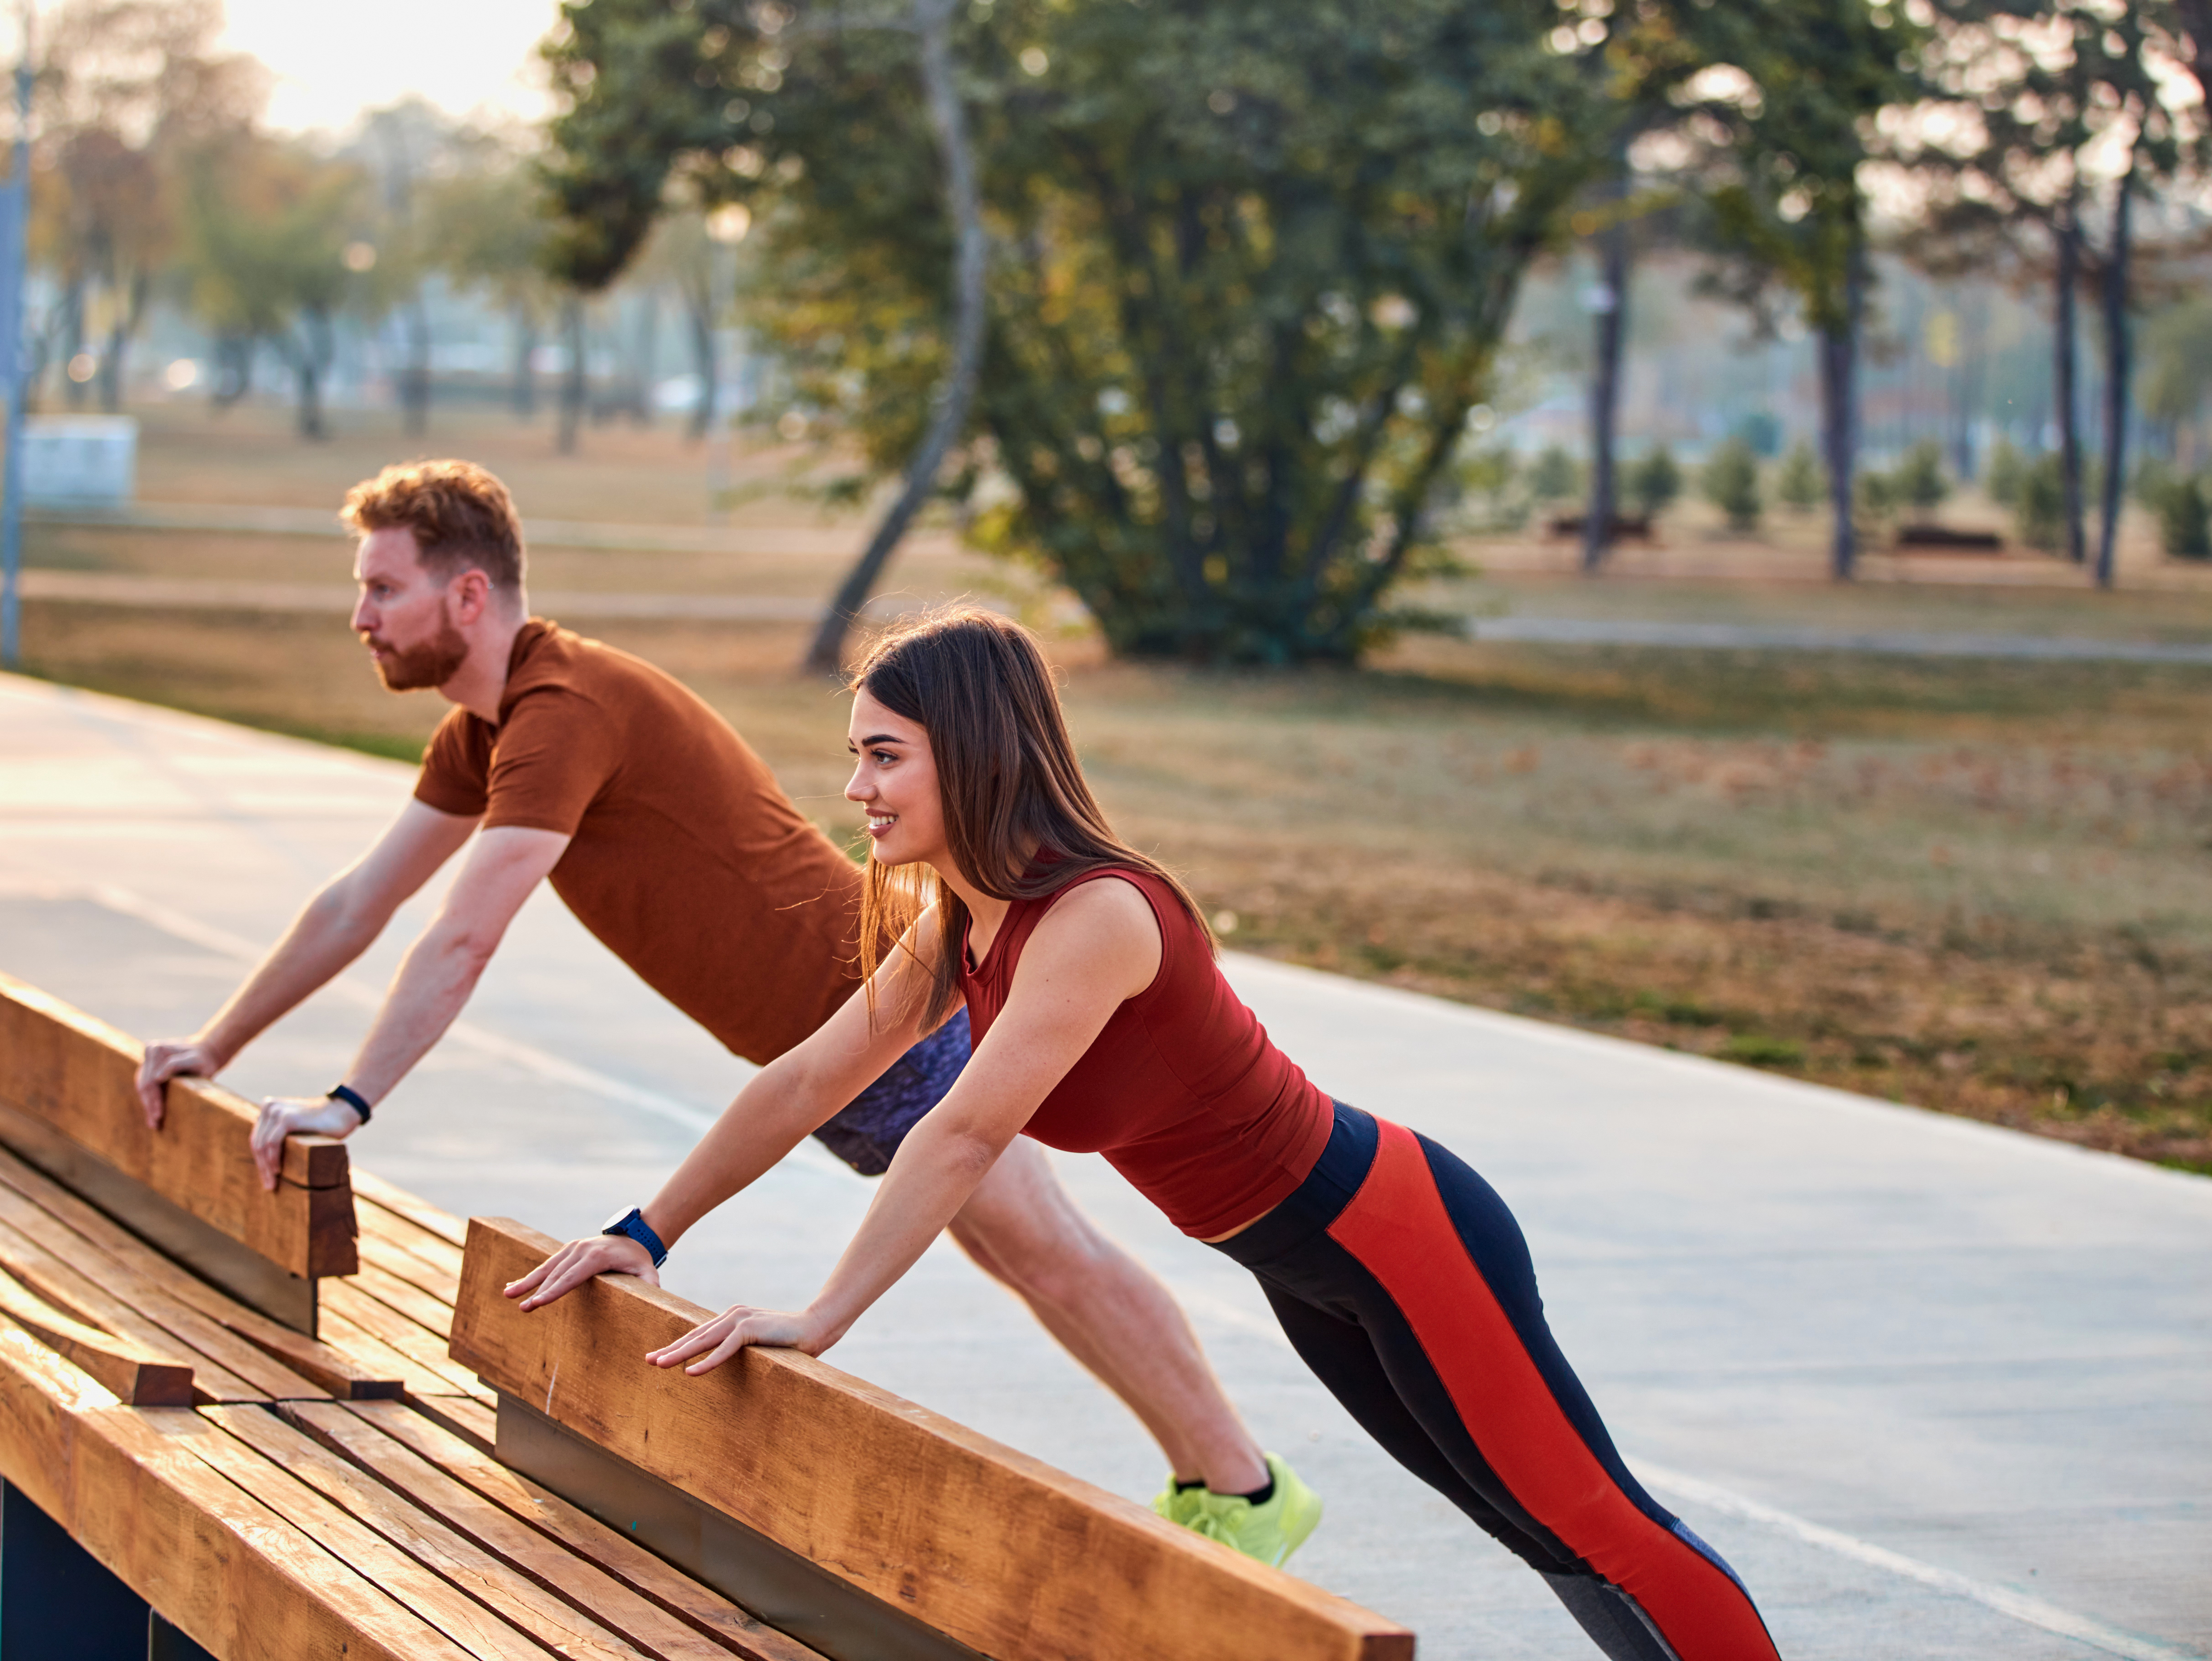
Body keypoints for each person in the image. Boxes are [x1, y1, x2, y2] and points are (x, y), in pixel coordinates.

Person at [506, 607, 1783, 1661]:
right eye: (858, 755)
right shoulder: (966, 923)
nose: (856, 788)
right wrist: (644, 1232)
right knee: (1530, 1524)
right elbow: (803, 1081)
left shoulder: (1098, 915)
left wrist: (822, 1314)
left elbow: (957, 1136)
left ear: (974, 752)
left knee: (1591, 1518)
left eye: (885, 755)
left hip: (1400, 1234)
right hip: (1308, 1272)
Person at [133, 460, 1313, 1564]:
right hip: (815, 1041)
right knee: (1035, 1257)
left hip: (872, 1005)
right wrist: (219, 1043)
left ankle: (1246, 1496)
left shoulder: (563, 708)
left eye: (383, 589)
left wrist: (350, 1101)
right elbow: (359, 902)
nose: (364, 617)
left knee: (1048, 1255)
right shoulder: (483, 733)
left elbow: (464, 931)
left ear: (469, 593)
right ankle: (1228, 1487)